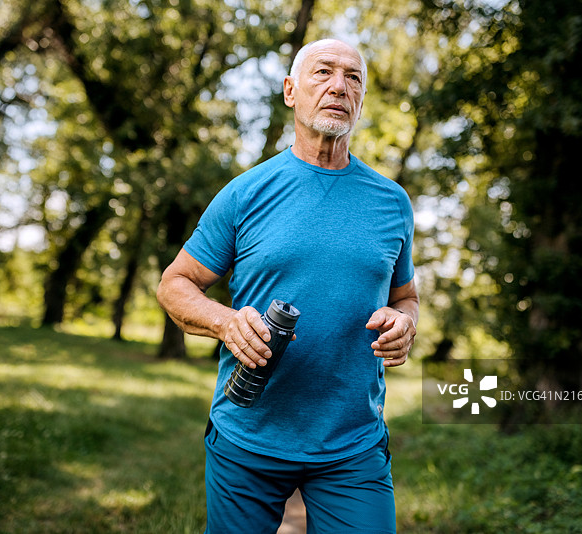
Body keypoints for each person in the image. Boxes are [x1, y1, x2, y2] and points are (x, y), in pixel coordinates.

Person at [157, 38, 418, 534]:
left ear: (361, 99)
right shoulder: (245, 193)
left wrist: (405, 320)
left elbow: (405, 295)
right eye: (323, 72)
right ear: (290, 91)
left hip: (352, 443)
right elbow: (175, 284)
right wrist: (225, 321)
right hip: (248, 437)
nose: (339, 86)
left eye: (353, 77)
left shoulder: (392, 203)